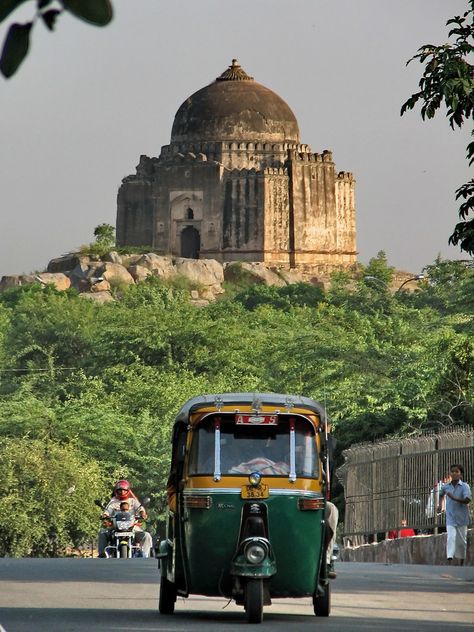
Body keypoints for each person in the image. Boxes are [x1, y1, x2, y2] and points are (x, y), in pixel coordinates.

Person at [98, 480, 153, 558]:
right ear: (116, 491)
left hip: (132, 527)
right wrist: (105, 515)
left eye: (124, 490)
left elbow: (140, 509)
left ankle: (145, 554)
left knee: (146, 535)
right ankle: (102, 554)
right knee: (102, 533)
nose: (122, 492)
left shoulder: (133, 501)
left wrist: (143, 514)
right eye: (119, 490)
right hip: (115, 527)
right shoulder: (113, 501)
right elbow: (107, 511)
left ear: (128, 490)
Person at [438, 464, 471, 566]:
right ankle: (450, 559)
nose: (454, 473)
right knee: (451, 537)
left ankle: (460, 563)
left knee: (461, 542)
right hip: (450, 517)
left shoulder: (465, 486)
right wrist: (440, 506)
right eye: (452, 471)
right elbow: (441, 495)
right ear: (450, 473)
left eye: (457, 471)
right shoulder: (446, 486)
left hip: (462, 518)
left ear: (460, 474)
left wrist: (454, 498)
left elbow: (467, 500)